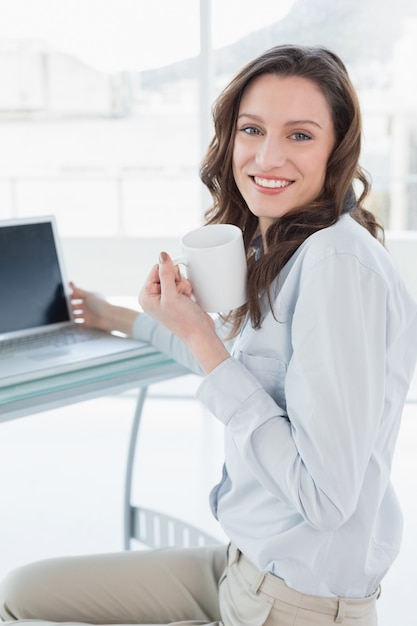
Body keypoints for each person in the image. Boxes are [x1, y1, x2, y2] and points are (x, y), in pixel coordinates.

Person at [1, 44, 417, 626]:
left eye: (300, 135)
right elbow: (233, 364)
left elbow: (325, 500)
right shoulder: (286, 247)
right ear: (230, 137)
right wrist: (115, 316)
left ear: (337, 149)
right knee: (20, 591)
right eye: (253, 129)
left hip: (294, 603)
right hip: (240, 567)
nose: (268, 156)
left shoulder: (337, 269)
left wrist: (203, 340)